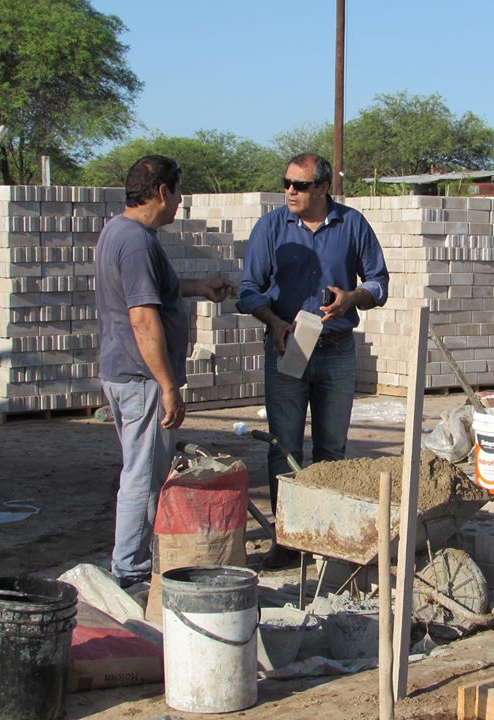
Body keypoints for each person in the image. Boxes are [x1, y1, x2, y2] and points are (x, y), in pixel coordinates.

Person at [237, 153, 389, 568]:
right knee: (283, 447)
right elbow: (247, 290)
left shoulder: (352, 224)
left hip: (336, 349)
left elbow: (379, 282)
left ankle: (325, 538)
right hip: (288, 347)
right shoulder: (270, 228)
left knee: (331, 448)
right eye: (286, 182)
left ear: (323, 188)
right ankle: (286, 541)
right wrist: (274, 320)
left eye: (300, 185)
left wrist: (352, 298)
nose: (290, 190)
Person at [96, 154, 235, 588]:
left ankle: (134, 563)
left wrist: (198, 289)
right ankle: (130, 573)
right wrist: (168, 385)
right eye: (178, 192)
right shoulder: (136, 242)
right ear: (161, 192)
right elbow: (142, 317)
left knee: (142, 470)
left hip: (127, 374)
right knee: (142, 476)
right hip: (141, 379)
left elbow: (157, 292)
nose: (179, 203)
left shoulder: (122, 233)